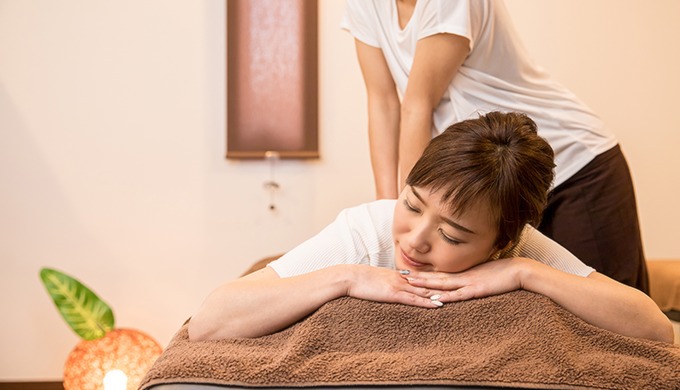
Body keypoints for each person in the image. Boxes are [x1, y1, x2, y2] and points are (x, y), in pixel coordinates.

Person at [188, 112, 672, 343]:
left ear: (502, 241)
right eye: (412, 205)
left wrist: (529, 274)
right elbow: (211, 321)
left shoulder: (520, 247)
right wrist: (346, 277)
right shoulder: (366, 232)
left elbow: (655, 330)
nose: (415, 240)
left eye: (454, 235)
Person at [340, 0, 648, 293]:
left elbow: (417, 105)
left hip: (574, 165)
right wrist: (388, 209)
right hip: (493, 186)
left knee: (605, 317)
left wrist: (413, 205)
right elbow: (382, 103)